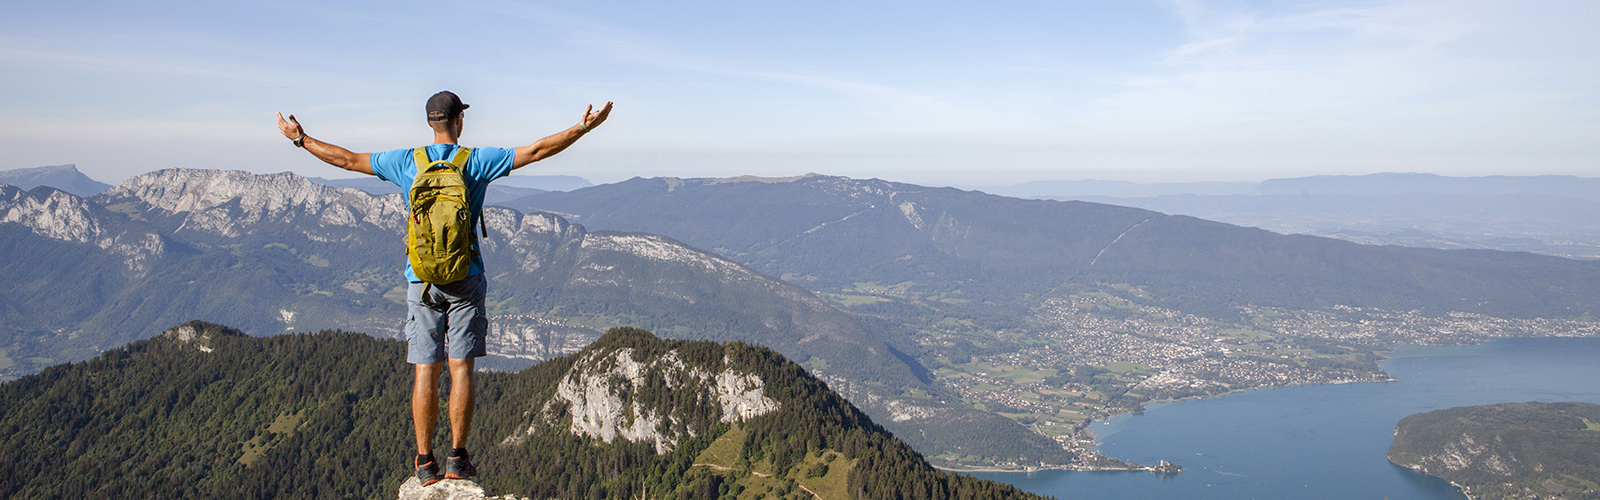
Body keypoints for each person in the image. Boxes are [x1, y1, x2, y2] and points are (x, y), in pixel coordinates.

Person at [276, 91, 612, 485]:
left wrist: (301, 140)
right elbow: (537, 151)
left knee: (425, 370)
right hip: (466, 277)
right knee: (461, 366)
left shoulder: (406, 161)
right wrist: (582, 128)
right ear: (460, 121)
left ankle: (424, 462)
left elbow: (347, 160)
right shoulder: (476, 160)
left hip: (420, 280)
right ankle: (457, 458)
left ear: (430, 123)